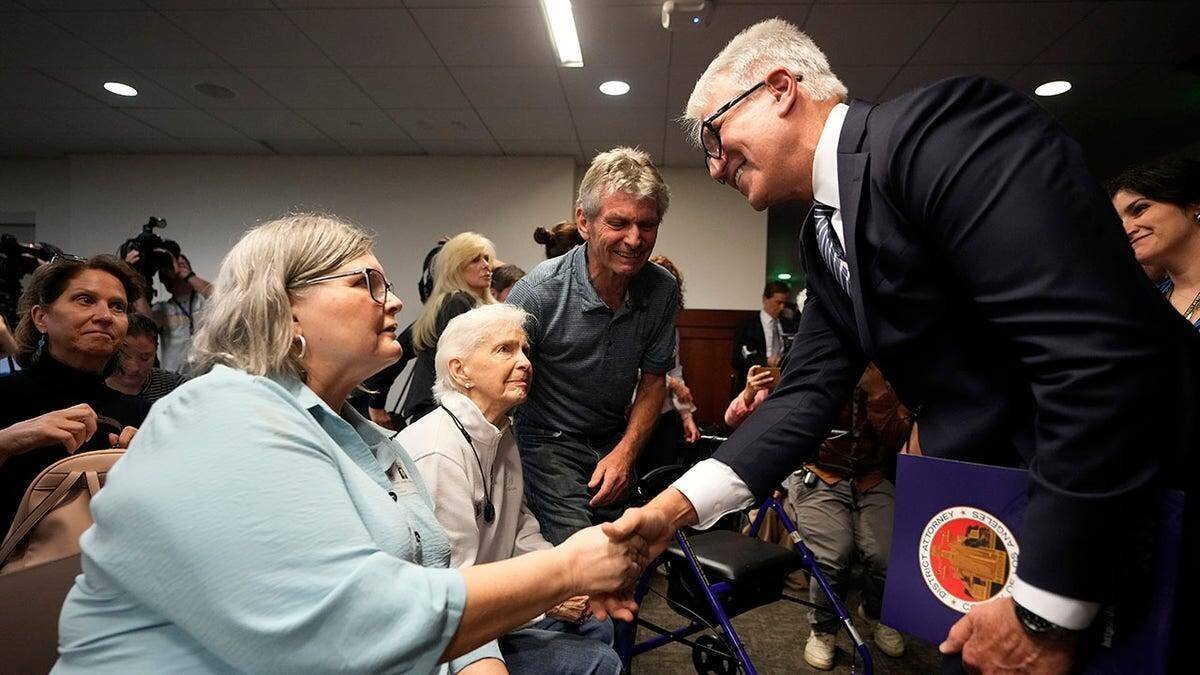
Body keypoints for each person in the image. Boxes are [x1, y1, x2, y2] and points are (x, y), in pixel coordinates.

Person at [605, 18, 1196, 674]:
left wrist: (1044, 608)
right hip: (994, 520)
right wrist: (670, 510)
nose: (714, 166)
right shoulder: (820, 240)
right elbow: (803, 395)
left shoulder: (939, 134)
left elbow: (1092, 355)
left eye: (715, 136)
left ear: (778, 88)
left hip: (1111, 516)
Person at [53, 214, 648, 674]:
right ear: (285, 309)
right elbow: (355, 626)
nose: (392, 300)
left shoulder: (368, 438)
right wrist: (568, 568)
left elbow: (428, 579)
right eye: (368, 282)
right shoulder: (221, 413)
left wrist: (478, 659)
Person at [401, 304, 620, 674]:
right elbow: (455, 584)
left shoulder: (500, 431)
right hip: (448, 634)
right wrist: (545, 598)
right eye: (505, 350)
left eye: (525, 351)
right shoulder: (438, 450)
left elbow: (521, 528)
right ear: (460, 370)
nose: (525, 363)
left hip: (492, 607)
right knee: (599, 661)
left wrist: (563, 584)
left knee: (596, 620)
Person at [506, 147, 678, 545]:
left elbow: (654, 382)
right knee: (584, 563)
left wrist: (625, 452)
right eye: (618, 223)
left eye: (647, 225)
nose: (634, 240)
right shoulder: (537, 292)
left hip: (611, 439)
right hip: (547, 442)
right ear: (584, 221)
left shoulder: (662, 289)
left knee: (625, 554)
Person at [0, 254, 147, 532]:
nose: (104, 316)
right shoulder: (4, 395)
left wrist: (155, 466)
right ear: (41, 317)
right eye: (85, 300)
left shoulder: (144, 415)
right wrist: (9, 441)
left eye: (117, 307)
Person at [786, 364, 910, 669]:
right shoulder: (820, 358)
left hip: (873, 476)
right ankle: (823, 630)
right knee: (833, 554)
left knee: (887, 554)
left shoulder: (894, 366)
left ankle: (876, 611)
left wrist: (877, 390)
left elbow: (899, 437)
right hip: (820, 474)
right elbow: (792, 421)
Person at [403, 232, 497, 423]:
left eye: (486, 258)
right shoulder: (456, 302)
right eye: (474, 260)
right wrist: (376, 404)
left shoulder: (446, 304)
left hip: (443, 410)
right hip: (441, 412)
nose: (486, 266)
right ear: (456, 268)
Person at [1108, 156, 1200, 332]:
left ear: (1193, 204)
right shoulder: (1139, 306)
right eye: (1118, 223)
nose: (1127, 230)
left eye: (1139, 209)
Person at [638, 255, 699, 475]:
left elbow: (676, 371)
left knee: (662, 476)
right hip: (626, 416)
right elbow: (629, 372)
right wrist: (672, 383)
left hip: (661, 415)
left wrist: (687, 416)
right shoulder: (630, 323)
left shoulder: (671, 330)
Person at [128, 242, 213, 373]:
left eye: (182, 264)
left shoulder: (203, 301)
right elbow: (145, 324)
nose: (176, 268)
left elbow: (224, 298)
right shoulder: (164, 309)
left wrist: (188, 276)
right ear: (163, 279)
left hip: (207, 378)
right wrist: (131, 276)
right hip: (175, 381)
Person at [105, 312, 186, 404]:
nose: (133, 368)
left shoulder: (175, 386)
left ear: (156, 351)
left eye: (144, 358)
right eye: (123, 356)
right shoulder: (92, 385)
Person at [731, 281, 795, 393]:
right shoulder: (748, 325)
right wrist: (765, 361)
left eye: (784, 303)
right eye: (778, 303)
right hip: (754, 385)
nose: (782, 307)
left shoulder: (788, 325)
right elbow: (737, 360)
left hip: (782, 385)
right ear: (765, 299)